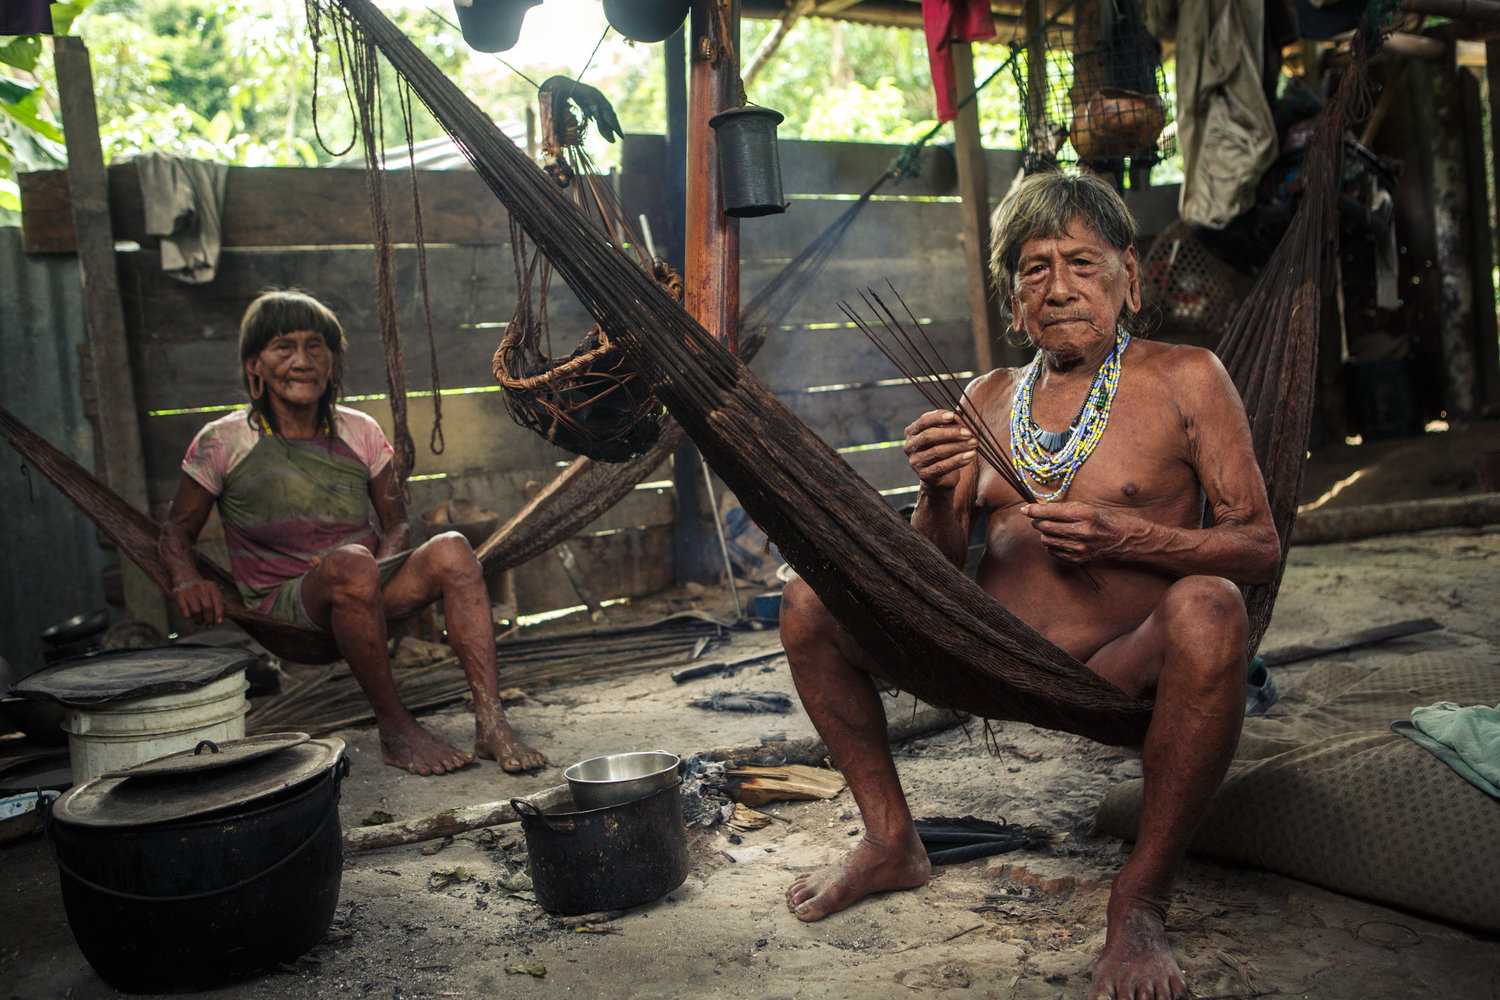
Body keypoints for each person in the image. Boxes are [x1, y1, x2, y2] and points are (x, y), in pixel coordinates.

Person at [778, 172, 1280, 1000]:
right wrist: (941, 494)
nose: (1059, 288)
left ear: (1131, 275)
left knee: (1212, 605)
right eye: (1035, 269)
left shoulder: (1188, 377)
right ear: (1013, 301)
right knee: (806, 599)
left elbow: (1257, 545)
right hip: (983, 658)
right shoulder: (985, 399)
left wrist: (1130, 535)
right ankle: (890, 841)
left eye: (1082, 263)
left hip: (1114, 668)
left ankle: (1139, 901)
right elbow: (928, 577)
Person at [159, 289, 547, 777]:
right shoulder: (224, 441)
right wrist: (184, 579)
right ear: (254, 364)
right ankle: (396, 731)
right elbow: (175, 533)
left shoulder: (359, 430)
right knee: (349, 564)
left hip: (365, 585)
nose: (302, 361)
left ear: (333, 362)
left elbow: (399, 524)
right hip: (289, 608)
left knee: (452, 548)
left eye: (316, 346)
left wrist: (378, 570)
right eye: (284, 347)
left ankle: (492, 724)